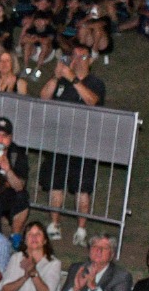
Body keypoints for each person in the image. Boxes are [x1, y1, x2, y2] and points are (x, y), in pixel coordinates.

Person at [37, 45, 106, 245]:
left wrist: (74, 80)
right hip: (59, 139)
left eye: (82, 56)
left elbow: (92, 101)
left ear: (90, 61)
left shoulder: (95, 83)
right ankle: (54, 224)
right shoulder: (62, 80)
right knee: (56, 183)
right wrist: (55, 77)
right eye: (74, 55)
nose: (76, 59)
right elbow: (43, 96)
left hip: (84, 143)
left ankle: (81, 229)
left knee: (82, 187)